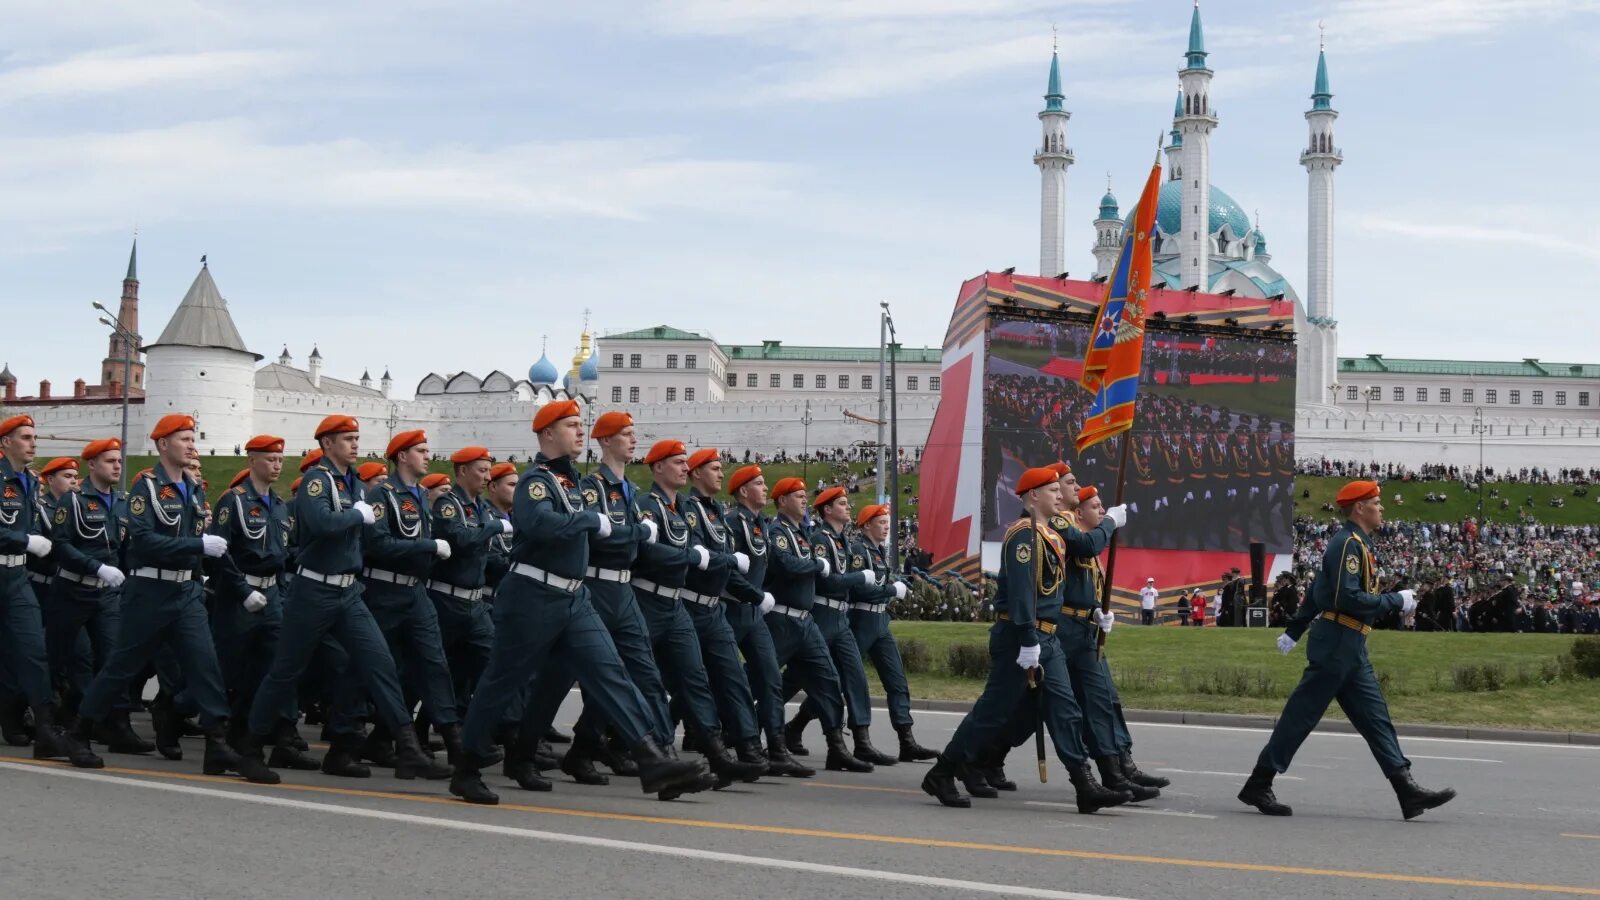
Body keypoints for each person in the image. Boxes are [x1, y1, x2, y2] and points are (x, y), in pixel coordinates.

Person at [448, 400, 710, 805]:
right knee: (504, 680)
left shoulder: (571, 483)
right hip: (532, 594)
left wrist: (635, 532)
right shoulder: (538, 481)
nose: (578, 431)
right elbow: (537, 524)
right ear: (547, 433)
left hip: (574, 596)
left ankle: (653, 760)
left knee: (611, 674)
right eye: (571, 425)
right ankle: (466, 768)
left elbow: (604, 534)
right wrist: (591, 520)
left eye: (579, 424)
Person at [242, 414, 447, 781]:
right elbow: (320, 524)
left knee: (380, 663)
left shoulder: (353, 483)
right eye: (347, 438)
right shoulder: (318, 482)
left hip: (349, 590)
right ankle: (252, 749)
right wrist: (355, 514)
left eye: (356, 437)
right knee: (286, 672)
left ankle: (408, 748)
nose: (355, 443)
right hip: (314, 590)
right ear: (327, 444)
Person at [1239, 480, 1457, 820]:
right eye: (1376, 502)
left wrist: (1295, 630)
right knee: (1301, 716)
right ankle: (1259, 781)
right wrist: (1395, 600)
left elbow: (1316, 590)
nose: (1381, 508)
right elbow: (1346, 598)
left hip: (1350, 644)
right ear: (1359, 508)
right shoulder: (1348, 545)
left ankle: (1406, 789)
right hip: (1337, 641)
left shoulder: (1356, 544)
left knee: (1376, 719)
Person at [74, 414, 274, 781]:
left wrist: (230, 581)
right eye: (183, 438)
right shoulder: (147, 489)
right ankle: (80, 731)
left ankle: (217, 745)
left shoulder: (194, 490)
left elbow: (211, 545)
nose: (191, 444)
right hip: (150, 592)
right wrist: (197, 544)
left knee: (205, 666)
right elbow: (145, 540)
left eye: (192, 437)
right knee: (121, 667)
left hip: (187, 591)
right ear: (163, 445)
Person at [919, 466, 1130, 812]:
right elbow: (1021, 595)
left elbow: (1053, 593)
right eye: (1052, 491)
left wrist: (1091, 613)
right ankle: (942, 772)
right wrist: (1029, 639)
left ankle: (1085, 784)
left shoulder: (1051, 535)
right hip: (1022, 639)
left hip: (1049, 639)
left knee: (1066, 711)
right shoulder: (1024, 536)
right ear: (1033, 496)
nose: (1059, 495)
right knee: (992, 712)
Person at [632, 439, 766, 787]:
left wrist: (751, 593)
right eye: (678, 463)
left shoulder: (684, 509)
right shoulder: (650, 505)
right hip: (651, 602)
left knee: (698, 680)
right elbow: (655, 554)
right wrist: (704, 558)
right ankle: (601, 745)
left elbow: (711, 557)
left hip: (683, 605)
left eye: (684, 462)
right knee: (645, 682)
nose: (683, 468)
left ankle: (720, 755)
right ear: (658, 467)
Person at [205, 435, 319, 770]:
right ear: (252, 460)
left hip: (271, 595)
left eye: (280, 459)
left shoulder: (280, 506)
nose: (277, 465)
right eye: (270, 459)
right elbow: (219, 552)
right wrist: (242, 591)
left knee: (278, 668)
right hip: (239, 597)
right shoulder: (234, 502)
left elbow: (283, 554)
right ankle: (222, 739)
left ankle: (282, 739)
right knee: (232, 669)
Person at [0, 416, 101, 767]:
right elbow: (19, 532)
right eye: (25, 437)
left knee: (33, 652)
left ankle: (45, 728)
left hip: (16, 576)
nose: (32, 443)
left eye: (34, 437)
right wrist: (25, 540)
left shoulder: (28, 481)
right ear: (6, 443)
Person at [361, 430, 463, 765]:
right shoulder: (382, 495)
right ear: (402, 456)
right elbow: (377, 546)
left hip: (415, 592)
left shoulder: (420, 496)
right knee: (373, 668)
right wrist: (427, 546)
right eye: (420, 450)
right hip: (385, 592)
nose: (427, 456)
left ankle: (453, 740)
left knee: (433, 664)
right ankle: (346, 743)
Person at [762, 477, 872, 773]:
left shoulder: (801, 535)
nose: (803, 500)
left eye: (804, 496)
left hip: (805, 620)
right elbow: (784, 564)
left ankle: (836, 747)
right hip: (782, 618)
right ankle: (740, 738)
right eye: (797, 496)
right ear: (782, 501)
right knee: (766, 682)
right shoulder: (779, 532)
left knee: (828, 682)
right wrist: (816, 565)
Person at [47, 439, 147, 753]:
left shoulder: (122, 502)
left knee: (114, 658)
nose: (117, 465)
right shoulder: (73, 501)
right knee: (63, 658)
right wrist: (96, 567)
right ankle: (49, 724)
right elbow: (61, 547)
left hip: (106, 595)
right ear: (92, 465)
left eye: (118, 460)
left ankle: (116, 725)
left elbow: (125, 547)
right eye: (109, 461)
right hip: (72, 590)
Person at [680, 447, 774, 776]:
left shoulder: (718, 511)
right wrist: (750, 591)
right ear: (696, 474)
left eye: (721, 468)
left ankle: (749, 748)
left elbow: (728, 569)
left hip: (714, 610)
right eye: (714, 468)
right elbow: (705, 561)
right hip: (689, 605)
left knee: (733, 679)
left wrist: (753, 595)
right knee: (688, 682)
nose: (721, 474)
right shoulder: (688, 509)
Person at [784, 485, 890, 766]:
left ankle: (861, 741)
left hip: (840, 619)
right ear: (827, 510)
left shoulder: (842, 541)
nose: (848, 507)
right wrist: (859, 578)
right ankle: (753, 726)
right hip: (821, 615)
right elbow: (827, 582)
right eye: (842, 504)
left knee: (854, 677)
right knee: (793, 680)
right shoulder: (821, 539)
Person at [721, 466, 813, 778]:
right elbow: (729, 571)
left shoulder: (761, 524)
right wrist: (756, 595)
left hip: (754, 613)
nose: (765, 488)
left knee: (771, 679)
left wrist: (761, 597)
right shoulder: (733, 522)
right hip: (732, 609)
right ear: (744, 491)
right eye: (759, 484)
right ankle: (702, 734)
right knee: (719, 678)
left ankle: (776, 749)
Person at [425, 446, 506, 748]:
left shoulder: (480, 507)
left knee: (491, 663)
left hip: (474, 603)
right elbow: (458, 539)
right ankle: (395, 733)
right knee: (433, 667)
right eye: (481, 470)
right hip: (446, 600)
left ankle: (493, 735)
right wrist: (493, 527)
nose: (487, 476)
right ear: (462, 471)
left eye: (488, 470)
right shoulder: (449, 503)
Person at [842, 503, 937, 762]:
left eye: (887, 522)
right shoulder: (860, 550)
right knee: (843, 681)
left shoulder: (879, 551)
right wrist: (892, 591)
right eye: (881, 522)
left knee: (897, 681)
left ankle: (907, 740)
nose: (886, 527)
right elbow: (861, 589)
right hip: (861, 618)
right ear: (867, 524)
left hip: (879, 620)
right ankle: (798, 725)